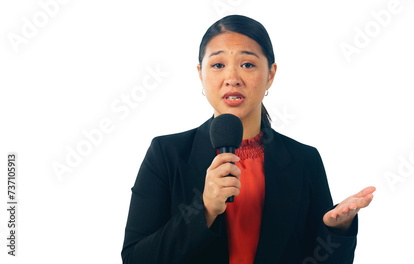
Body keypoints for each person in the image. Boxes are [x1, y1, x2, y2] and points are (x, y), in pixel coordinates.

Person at [121, 14, 375, 264]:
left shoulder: (305, 160)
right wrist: (205, 209)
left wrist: (337, 229)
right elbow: (134, 259)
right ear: (201, 74)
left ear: (271, 74)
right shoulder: (166, 154)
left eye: (248, 65)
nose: (232, 78)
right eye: (218, 65)